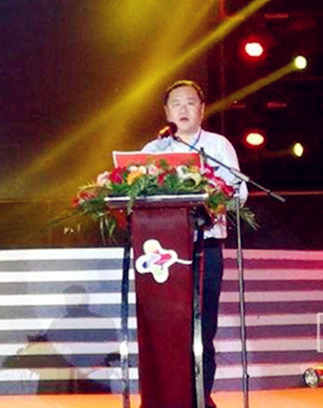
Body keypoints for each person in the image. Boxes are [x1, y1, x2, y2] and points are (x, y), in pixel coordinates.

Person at [141, 79, 248, 408]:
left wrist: (212, 195)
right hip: (163, 253)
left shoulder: (218, 146)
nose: (183, 109)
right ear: (166, 112)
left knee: (203, 328)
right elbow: (135, 194)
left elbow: (239, 192)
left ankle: (201, 399)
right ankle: (165, 398)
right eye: (176, 104)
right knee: (167, 328)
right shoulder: (152, 150)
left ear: (202, 110)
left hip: (206, 248)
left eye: (190, 102)